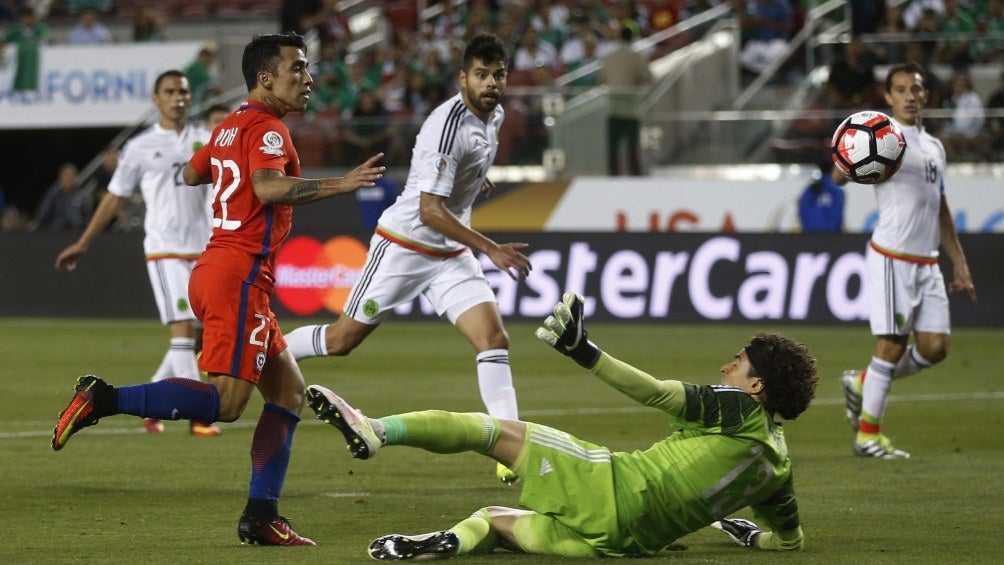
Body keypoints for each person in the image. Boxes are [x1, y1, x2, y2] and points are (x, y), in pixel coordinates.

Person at [51, 31, 386, 547]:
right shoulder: (269, 129)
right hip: (239, 275)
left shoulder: (230, 125)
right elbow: (267, 186)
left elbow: (189, 173)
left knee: (290, 391)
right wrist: (340, 184)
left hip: (219, 267)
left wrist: (221, 160)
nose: (309, 79)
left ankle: (260, 516)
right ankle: (104, 398)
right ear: (265, 79)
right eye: (297, 69)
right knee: (229, 404)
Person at [305, 292, 818, 560]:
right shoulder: (780, 467)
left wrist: (585, 352)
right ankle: (451, 544)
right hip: (624, 545)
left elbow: (657, 392)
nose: (728, 367)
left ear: (757, 387)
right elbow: (789, 544)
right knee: (492, 518)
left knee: (488, 430)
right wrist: (750, 534)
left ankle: (375, 430)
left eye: (739, 362)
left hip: (609, 488)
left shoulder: (739, 408)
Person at [285, 33, 532, 485]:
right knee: (342, 341)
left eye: (498, 74)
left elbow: (458, 172)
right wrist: (491, 247)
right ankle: (268, 354)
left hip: (449, 254)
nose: (491, 83)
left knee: (493, 340)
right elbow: (428, 209)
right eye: (481, 75)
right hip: (405, 245)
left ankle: (512, 448)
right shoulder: (448, 124)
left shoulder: (493, 114)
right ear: (463, 78)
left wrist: (477, 179)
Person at [55, 70, 221, 437]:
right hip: (165, 250)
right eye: (169, 91)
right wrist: (84, 243)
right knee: (182, 332)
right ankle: (199, 417)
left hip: (206, 249)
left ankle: (154, 402)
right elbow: (114, 197)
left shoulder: (206, 140)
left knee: (196, 337)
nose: (178, 96)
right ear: (155, 99)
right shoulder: (140, 147)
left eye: (183, 91)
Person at [840, 62, 977, 460]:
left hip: (928, 260)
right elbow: (842, 169)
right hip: (892, 257)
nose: (910, 96)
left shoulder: (934, 147)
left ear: (926, 95)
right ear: (888, 97)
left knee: (935, 348)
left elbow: (941, 207)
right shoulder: (882, 137)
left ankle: (863, 381)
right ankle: (868, 436)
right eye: (901, 90)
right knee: (893, 344)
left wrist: (960, 263)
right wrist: (843, 164)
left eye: (915, 89)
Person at [599, 22, 653, 175]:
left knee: (613, 145)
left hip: (613, 107)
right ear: (632, 39)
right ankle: (634, 175)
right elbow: (648, 76)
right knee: (631, 145)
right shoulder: (636, 56)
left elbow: (602, 78)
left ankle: (613, 174)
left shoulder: (609, 56)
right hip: (630, 108)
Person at [27, 162, 90, 231]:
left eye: (72, 176)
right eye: (66, 175)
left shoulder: (82, 194)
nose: (69, 178)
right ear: (60, 177)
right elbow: (42, 215)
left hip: (77, 231)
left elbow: (87, 216)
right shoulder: (53, 194)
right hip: (57, 232)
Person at [940, 71, 986, 161]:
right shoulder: (949, 100)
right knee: (941, 139)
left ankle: (964, 161)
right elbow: (947, 121)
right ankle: (958, 161)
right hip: (954, 133)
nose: (959, 86)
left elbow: (980, 120)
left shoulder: (973, 98)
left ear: (966, 85)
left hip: (971, 134)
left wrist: (970, 133)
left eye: (962, 84)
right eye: (957, 83)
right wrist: (950, 131)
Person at [3, 7, 49, 92]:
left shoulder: (41, 28)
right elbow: (4, 40)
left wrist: (38, 39)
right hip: (19, 63)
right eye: (25, 17)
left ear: (34, 18)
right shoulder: (16, 31)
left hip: (34, 63)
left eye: (29, 17)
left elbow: (47, 36)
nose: (27, 20)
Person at [798, 161, 845, 233]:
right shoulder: (836, 191)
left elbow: (803, 211)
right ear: (833, 169)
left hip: (810, 236)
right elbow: (837, 215)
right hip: (831, 237)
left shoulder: (809, 189)